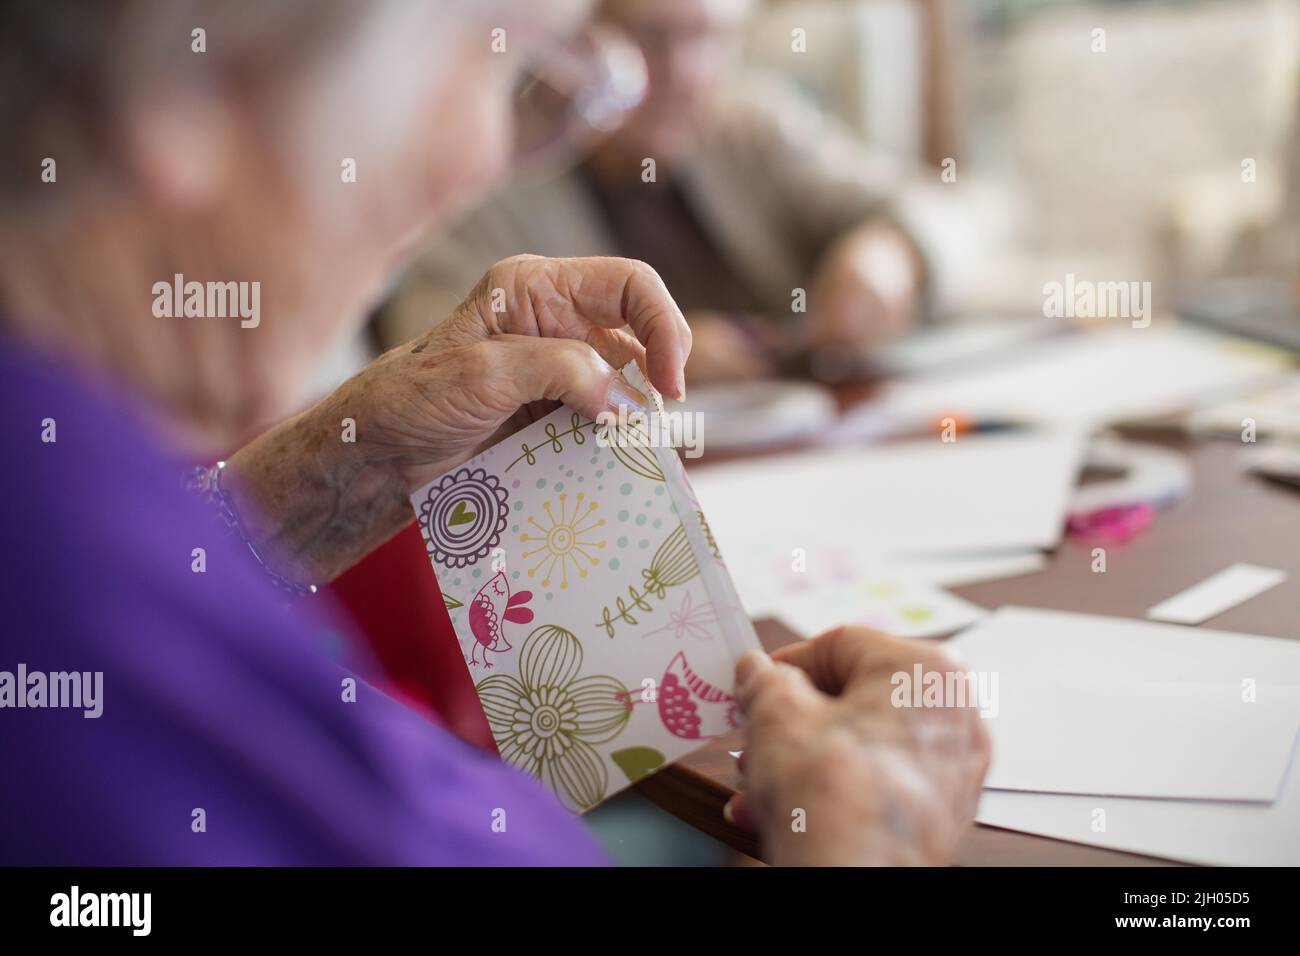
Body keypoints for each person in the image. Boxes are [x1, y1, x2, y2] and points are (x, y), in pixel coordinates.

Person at [0, 0, 986, 865]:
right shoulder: (76, 616)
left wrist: (349, 461)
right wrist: (869, 844)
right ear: (193, 84)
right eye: (489, 55)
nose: (484, 157)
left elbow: (164, 565)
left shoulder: (70, 479)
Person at [381, 0, 929, 385]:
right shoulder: (492, 172)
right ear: (573, 41)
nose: (685, 71)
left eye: (708, 38)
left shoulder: (750, 127)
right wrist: (627, 363)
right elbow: (431, 358)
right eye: (652, 37)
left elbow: (920, 209)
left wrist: (884, 261)